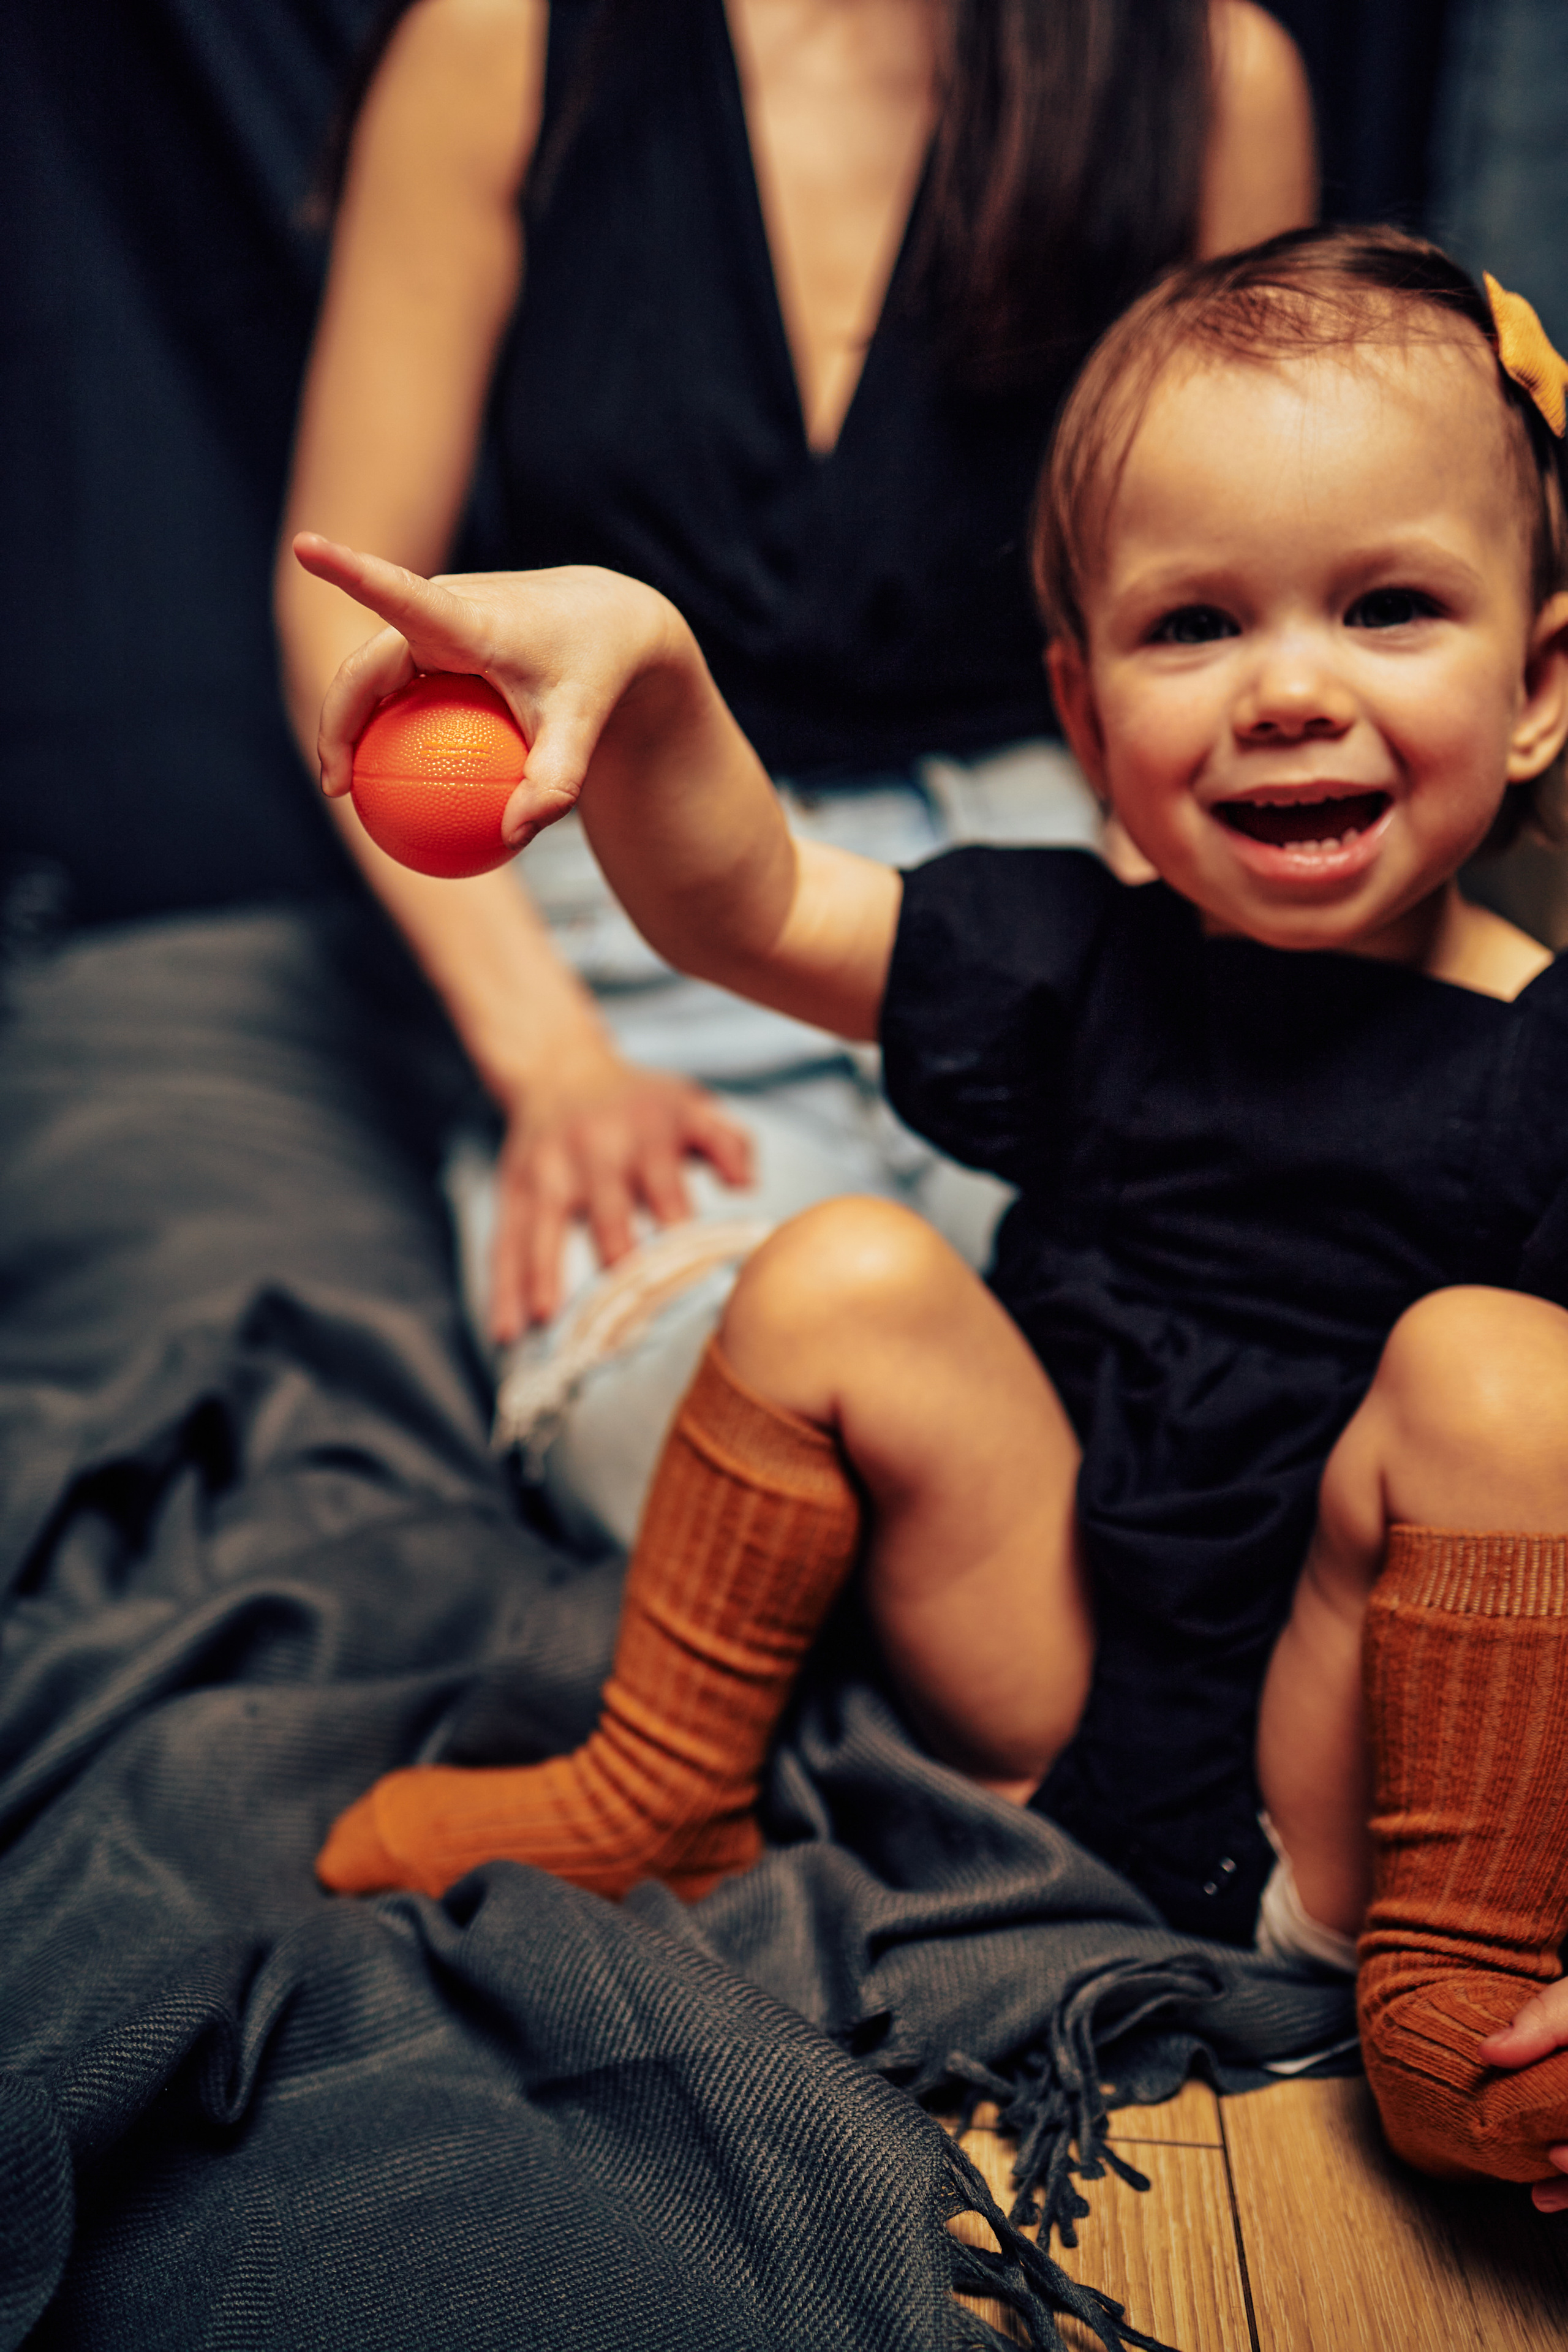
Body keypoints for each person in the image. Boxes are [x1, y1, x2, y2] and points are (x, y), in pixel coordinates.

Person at [296, 224, 1568, 2196]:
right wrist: (648, 672)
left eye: (1388, 608)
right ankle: (662, 1786)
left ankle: (1455, 1990)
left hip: (1352, 1783)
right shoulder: (1081, 966)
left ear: (1542, 685)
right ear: (1083, 717)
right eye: (1194, 627)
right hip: (1050, 1684)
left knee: (1502, 1381)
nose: (1290, 690)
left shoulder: (1543, 1066)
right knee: (845, 1267)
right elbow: (755, 905)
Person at [273, 0, 1316, 1542]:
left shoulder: (1212, 74)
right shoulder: (506, 41)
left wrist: (1167, 978)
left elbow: (1256, 597)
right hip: (623, 893)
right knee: (726, 1458)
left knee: (1196, 1408)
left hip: (1054, 888)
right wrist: (551, 1062)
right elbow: (344, 600)